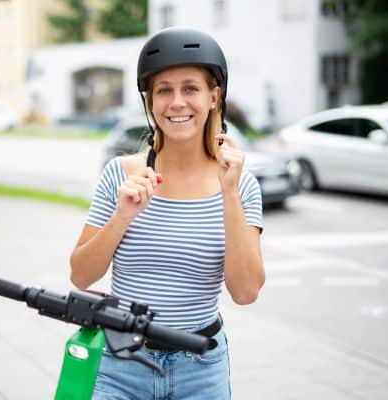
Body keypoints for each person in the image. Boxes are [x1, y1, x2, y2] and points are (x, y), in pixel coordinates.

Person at [70, 27, 265, 400]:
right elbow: (81, 275)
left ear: (213, 96)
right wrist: (123, 216)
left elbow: (245, 291)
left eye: (190, 88)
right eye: (164, 90)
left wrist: (229, 194)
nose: (177, 102)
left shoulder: (240, 185)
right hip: (120, 362)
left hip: (201, 370)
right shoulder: (121, 174)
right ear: (150, 101)